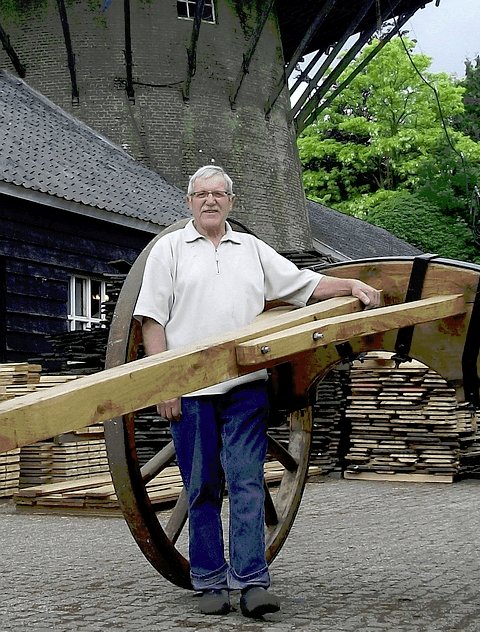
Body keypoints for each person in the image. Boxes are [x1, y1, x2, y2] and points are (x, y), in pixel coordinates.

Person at [133, 164, 380, 618]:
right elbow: (152, 320)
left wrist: (348, 284)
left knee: (246, 482)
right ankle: (208, 580)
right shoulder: (169, 250)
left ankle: (250, 582)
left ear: (231, 201)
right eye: (201, 194)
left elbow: (304, 285)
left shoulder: (251, 249)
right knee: (202, 485)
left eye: (218, 194)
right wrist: (163, 384)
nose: (210, 201)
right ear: (189, 202)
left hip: (245, 388)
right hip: (189, 390)